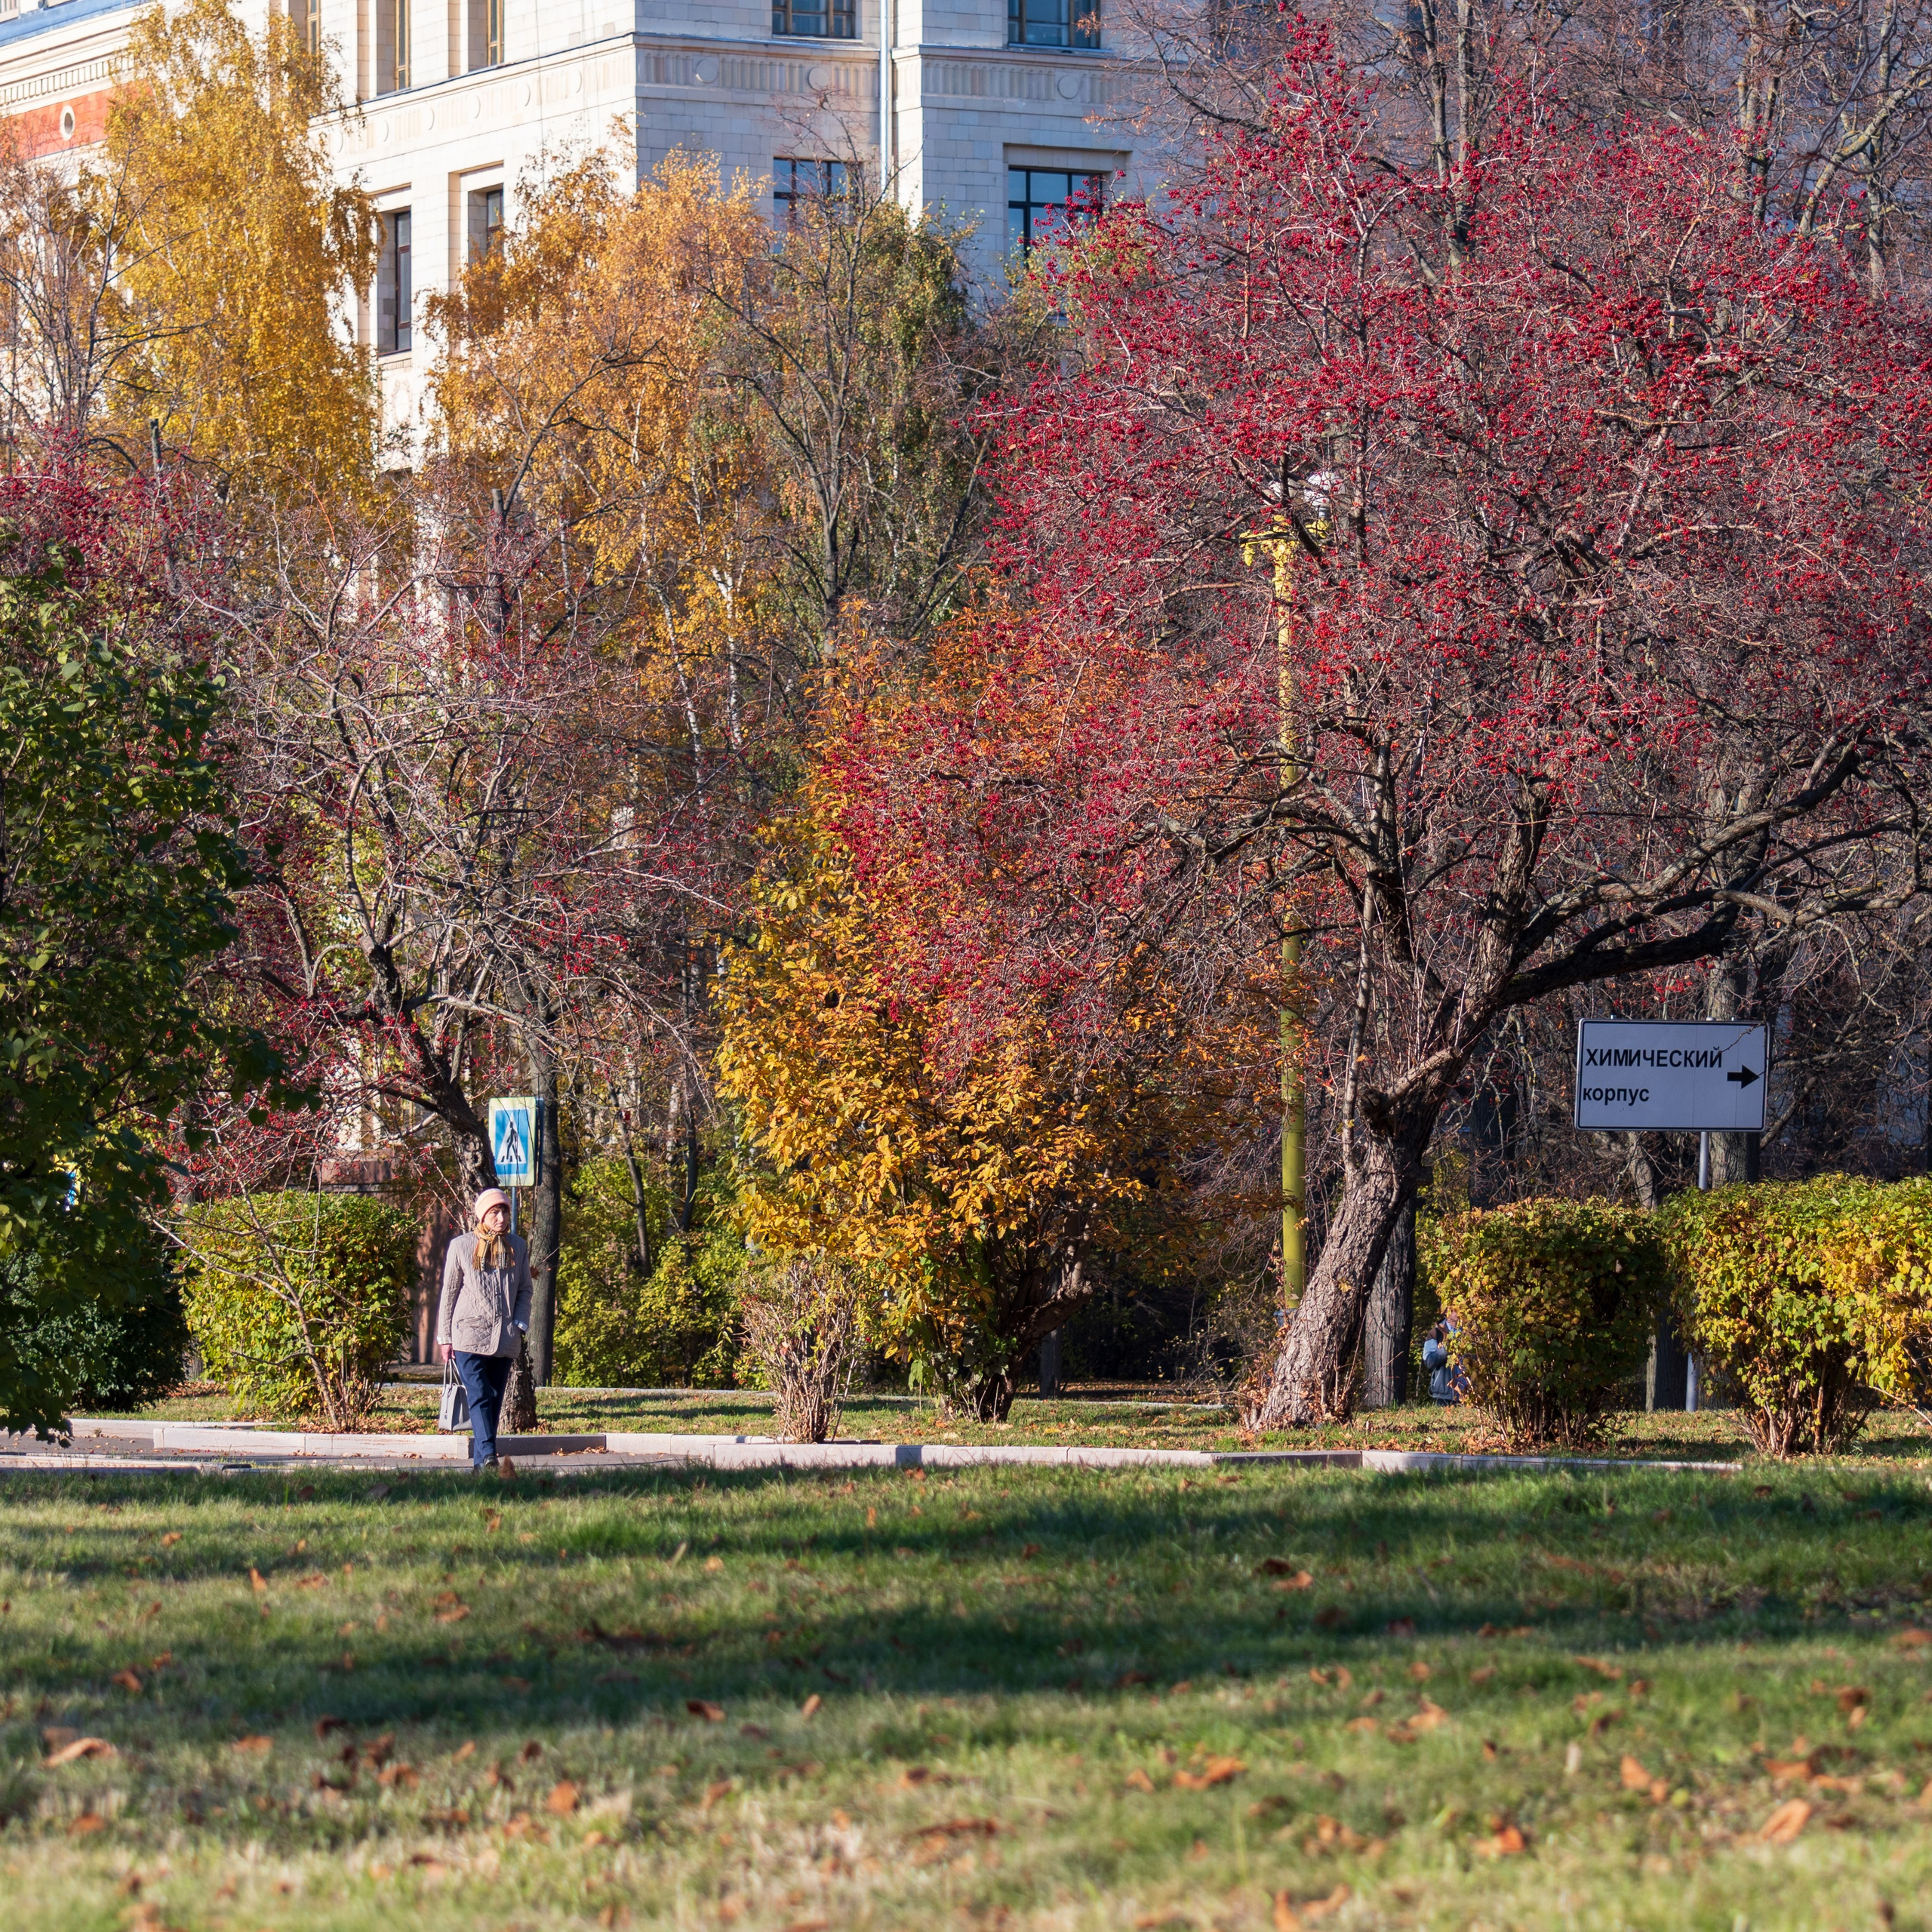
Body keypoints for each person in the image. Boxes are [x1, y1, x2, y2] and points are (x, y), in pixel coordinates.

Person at [437, 1188, 531, 1473]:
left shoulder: (518, 1246)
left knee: (493, 1399)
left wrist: (519, 1323)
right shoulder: (462, 1246)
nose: (501, 1217)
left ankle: (481, 1466)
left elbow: (525, 1290)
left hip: (505, 1338)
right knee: (478, 1395)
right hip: (468, 1335)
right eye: (494, 1212)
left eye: (504, 1211)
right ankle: (490, 1454)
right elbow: (449, 1293)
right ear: (482, 1216)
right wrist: (445, 1337)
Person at [1422, 1320, 1466, 1404]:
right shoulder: (1435, 1333)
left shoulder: (1470, 1332)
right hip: (1444, 1395)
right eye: (1453, 1310)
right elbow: (1429, 1361)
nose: (1458, 1312)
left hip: (1468, 1393)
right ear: (1447, 1313)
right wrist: (1445, 1350)